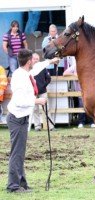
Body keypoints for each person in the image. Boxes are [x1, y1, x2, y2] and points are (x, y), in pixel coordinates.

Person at [6, 49, 59, 193]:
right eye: (33, 60)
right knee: (17, 153)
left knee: (19, 152)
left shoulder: (25, 73)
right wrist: (37, 101)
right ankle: (13, 186)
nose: (34, 62)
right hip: (17, 118)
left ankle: (21, 183)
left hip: (21, 118)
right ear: (29, 61)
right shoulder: (20, 77)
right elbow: (19, 100)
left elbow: (36, 68)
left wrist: (50, 61)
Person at [63, 64, 95, 128]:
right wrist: (74, 75)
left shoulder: (88, 65)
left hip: (89, 90)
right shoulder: (75, 66)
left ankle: (92, 122)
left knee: (90, 106)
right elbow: (65, 73)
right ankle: (81, 122)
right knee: (81, 106)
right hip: (79, 90)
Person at [31, 53, 55, 131]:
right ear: (31, 59)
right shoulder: (29, 69)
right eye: (34, 59)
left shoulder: (43, 68)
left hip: (42, 91)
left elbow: (48, 78)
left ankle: (50, 127)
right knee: (35, 110)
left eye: (37, 59)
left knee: (46, 109)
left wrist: (43, 85)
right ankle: (37, 126)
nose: (36, 60)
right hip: (32, 93)